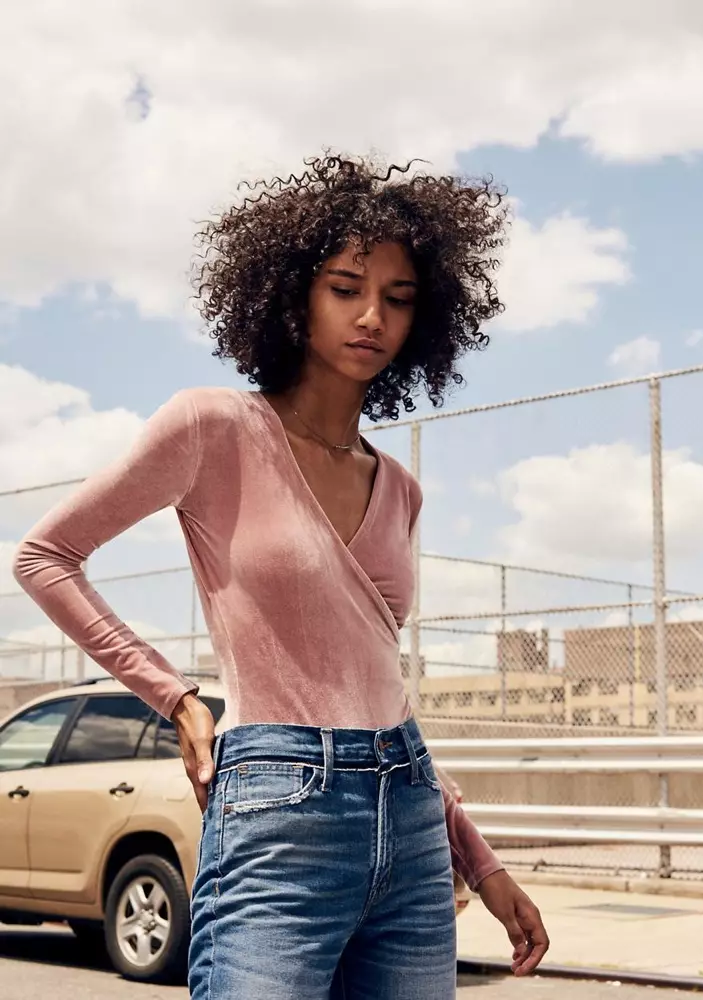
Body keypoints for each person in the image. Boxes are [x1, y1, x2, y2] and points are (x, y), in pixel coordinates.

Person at [13, 154, 549, 999]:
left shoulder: (400, 490)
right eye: (345, 287)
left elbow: (378, 689)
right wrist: (176, 699)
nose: (372, 316)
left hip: (410, 814)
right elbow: (44, 557)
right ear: (293, 294)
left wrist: (479, 863)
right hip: (279, 808)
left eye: (399, 299)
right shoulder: (213, 428)